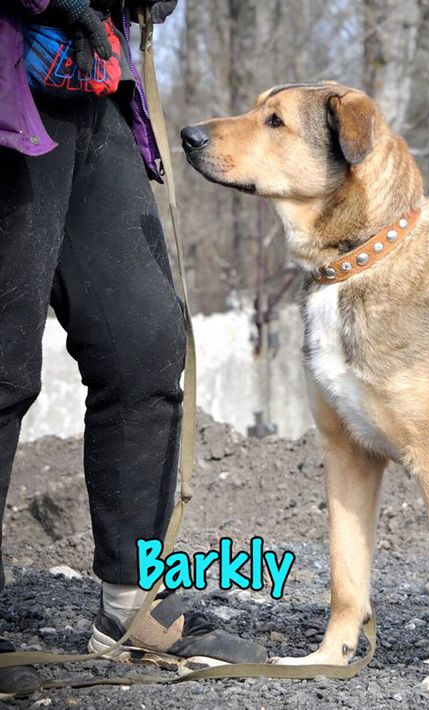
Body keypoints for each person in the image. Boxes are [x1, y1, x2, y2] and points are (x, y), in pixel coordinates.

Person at [0, 0, 268, 694]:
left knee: (144, 343)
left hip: (88, 79)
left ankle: (132, 605)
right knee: (3, 363)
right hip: (10, 65)